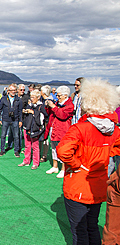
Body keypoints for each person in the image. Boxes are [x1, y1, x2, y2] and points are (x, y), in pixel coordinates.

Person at [56, 78, 120, 245]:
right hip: (99, 184)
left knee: (79, 230)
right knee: (92, 226)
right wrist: (106, 158)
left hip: (79, 183)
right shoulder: (115, 129)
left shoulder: (80, 128)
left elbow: (62, 151)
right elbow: (116, 149)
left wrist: (77, 164)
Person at [45, 86, 74, 178]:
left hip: (63, 130)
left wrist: (53, 106)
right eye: (57, 95)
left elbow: (62, 115)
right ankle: (55, 166)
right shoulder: (57, 103)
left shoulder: (69, 106)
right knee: (53, 148)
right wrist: (48, 106)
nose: (57, 97)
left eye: (59, 95)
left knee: (63, 149)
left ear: (65, 96)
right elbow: (50, 113)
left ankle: (63, 169)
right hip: (54, 129)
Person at [18, 90, 48, 169]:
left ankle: (35, 162)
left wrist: (33, 112)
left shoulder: (41, 106)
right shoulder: (29, 105)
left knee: (35, 146)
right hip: (27, 127)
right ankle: (26, 160)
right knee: (27, 145)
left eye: (33, 97)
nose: (31, 99)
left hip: (35, 129)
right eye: (30, 97)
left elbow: (44, 117)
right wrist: (25, 111)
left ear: (38, 97)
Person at [0, 83, 23, 157]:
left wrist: (20, 120)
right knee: (3, 135)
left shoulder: (18, 99)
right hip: (5, 119)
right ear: (8, 91)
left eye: (15, 90)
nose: (13, 92)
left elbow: (20, 111)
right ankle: (2, 150)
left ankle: (16, 150)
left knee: (16, 136)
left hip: (15, 119)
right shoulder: (3, 99)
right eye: (12, 90)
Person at [39, 85, 52, 163]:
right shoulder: (44, 100)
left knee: (45, 139)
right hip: (43, 121)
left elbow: (48, 113)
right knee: (42, 138)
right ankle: (41, 153)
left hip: (46, 122)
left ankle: (44, 155)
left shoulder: (48, 101)